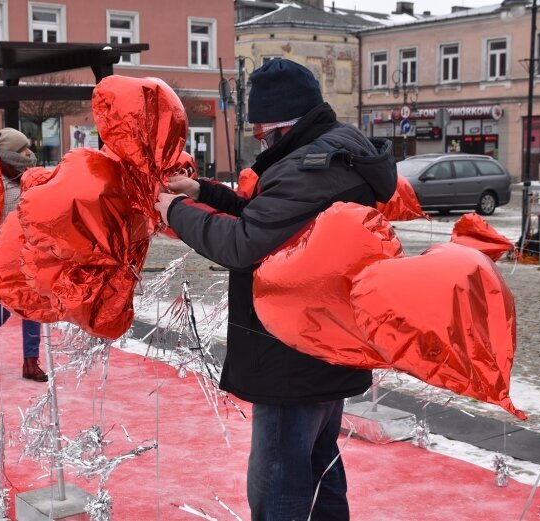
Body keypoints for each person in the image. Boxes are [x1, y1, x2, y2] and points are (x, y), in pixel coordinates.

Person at [155, 59, 397, 520]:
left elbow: (242, 243)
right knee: (320, 468)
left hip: (293, 351)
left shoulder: (312, 166)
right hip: (326, 341)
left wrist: (174, 210)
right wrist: (201, 191)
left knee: (278, 481)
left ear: (286, 125)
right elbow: (269, 216)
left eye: (262, 133)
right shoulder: (332, 157)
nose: (259, 141)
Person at [0, 127, 47, 383]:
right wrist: (5, 239)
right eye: (22, 149)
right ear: (9, 153)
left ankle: (31, 362)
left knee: (33, 307)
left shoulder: (32, 178)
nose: (29, 152)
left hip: (28, 251)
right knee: (1, 311)